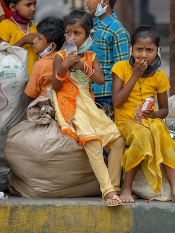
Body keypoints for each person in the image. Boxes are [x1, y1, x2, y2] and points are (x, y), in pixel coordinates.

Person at [52, 10, 125, 207]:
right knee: (92, 141)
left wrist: (85, 68)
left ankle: (114, 186)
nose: (71, 38)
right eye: (68, 33)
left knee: (117, 140)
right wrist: (64, 66)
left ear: (89, 36)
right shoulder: (60, 56)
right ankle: (107, 192)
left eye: (77, 33)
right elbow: (56, 86)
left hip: (89, 104)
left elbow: (100, 80)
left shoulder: (91, 56)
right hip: (70, 104)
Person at [111, 26, 175, 204]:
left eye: (149, 50)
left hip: (149, 121)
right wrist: (136, 74)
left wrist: (153, 114)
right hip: (125, 122)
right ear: (131, 49)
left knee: (162, 132)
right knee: (142, 135)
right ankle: (127, 188)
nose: (143, 55)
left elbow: (164, 110)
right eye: (139, 49)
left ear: (158, 51)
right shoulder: (121, 68)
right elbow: (117, 102)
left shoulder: (160, 76)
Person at [85, 0, 130, 120]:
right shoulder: (90, 25)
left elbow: (122, 71)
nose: (86, 1)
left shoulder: (118, 32)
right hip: (87, 93)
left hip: (106, 98)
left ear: (104, 1)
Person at [0, 0, 38, 75]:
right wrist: (24, 41)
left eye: (34, 3)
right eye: (28, 5)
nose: (33, 8)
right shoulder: (5, 26)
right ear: (13, 7)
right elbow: (2, 55)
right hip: (14, 78)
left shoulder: (36, 26)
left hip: (33, 79)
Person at [24, 17, 65, 102]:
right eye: (36, 36)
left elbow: (31, 93)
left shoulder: (40, 65)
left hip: (43, 109)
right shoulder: (65, 59)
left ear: (52, 46)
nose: (34, 41)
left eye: (39, 38)